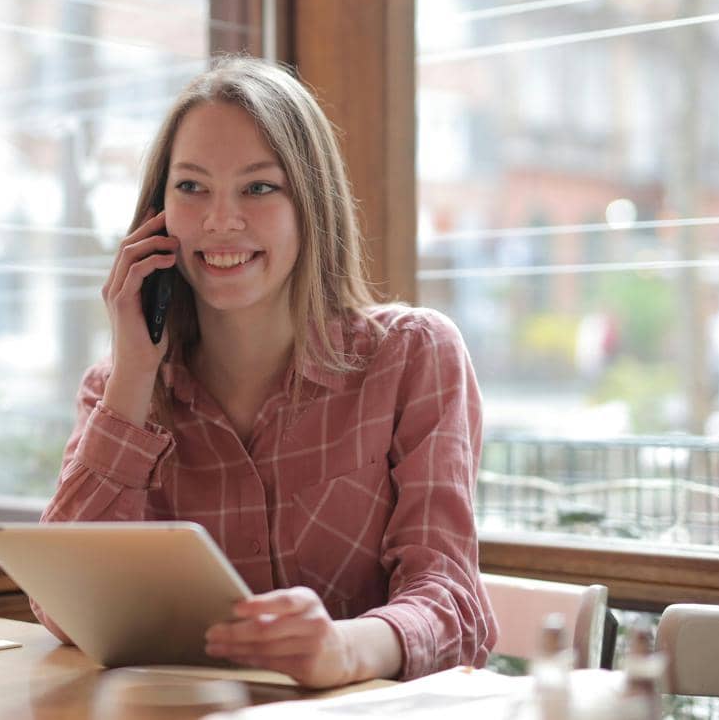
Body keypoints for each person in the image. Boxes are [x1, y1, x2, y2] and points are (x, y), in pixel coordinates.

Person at [33, 56, 496, 687]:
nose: (221, 220)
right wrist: (134, 375)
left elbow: (453, 602)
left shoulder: (413, 356)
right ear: (156, 215)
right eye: (191, 187)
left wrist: (345, 648)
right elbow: (61, 607)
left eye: (258, 187)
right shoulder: (118, 391)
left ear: (312, 206)